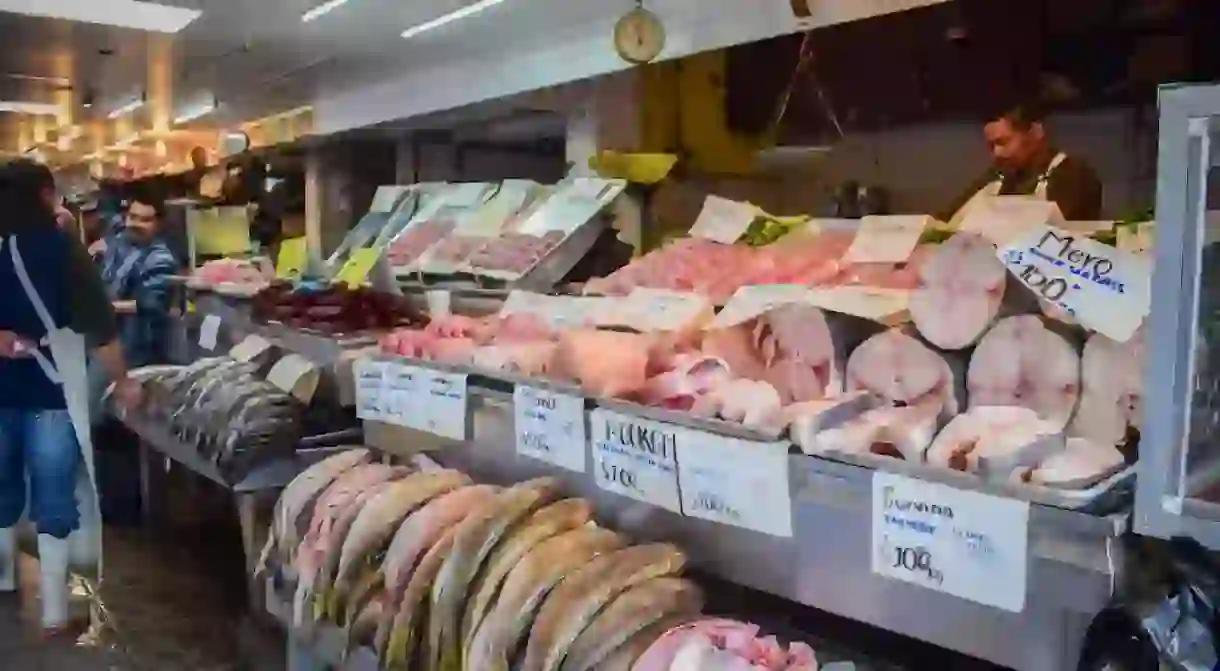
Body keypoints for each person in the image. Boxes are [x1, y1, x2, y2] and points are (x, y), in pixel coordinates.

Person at [0, 158, 142, 636]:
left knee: (1, 486)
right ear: (43, 193)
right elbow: (99, 326)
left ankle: (3, 580)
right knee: (53, 494)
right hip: (49, 391)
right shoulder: (62, 247)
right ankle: (55, 609)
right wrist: (124, 381)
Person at [939, 101, 1104, 226]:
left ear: (1036, 133)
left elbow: (1054, 233)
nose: (996, 153)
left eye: (1003, 142)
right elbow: (946, 220)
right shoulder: (999, 175)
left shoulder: (1072, 171)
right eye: (991, 146)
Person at [98, 195, 180, 369]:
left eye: (145, 220)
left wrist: (108, 307)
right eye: (133, 217)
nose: (136, 224)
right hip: (107, 337)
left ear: (159, 224)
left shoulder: (160, 258)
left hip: (136, 345)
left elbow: (153, 304)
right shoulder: (120, 245)